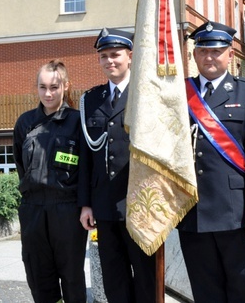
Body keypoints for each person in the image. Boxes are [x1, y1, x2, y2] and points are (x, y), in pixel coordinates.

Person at [178, 21, 245, 303]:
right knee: (205, 292)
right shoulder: (179, 94)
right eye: (203, 50)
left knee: (241, 291)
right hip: (191, 211)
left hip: (236, 213)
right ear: (194, 55)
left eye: (217, 51)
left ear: (230, 55)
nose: (209, 57)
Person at [78, 28, 156, 303]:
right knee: (114, 278)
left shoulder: (148, 93)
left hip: (141, 204)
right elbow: (87, 157)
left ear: (130, 57)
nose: (110, 61)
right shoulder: (91, 99)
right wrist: (86, 204)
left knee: (147, 279)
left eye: (115, 55)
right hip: (105, 206)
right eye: (104, 56)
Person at [13, 59, 87, 303]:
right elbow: (21, 166)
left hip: (66, 209)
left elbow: (87, 168)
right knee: (38, 275)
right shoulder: (25, 123)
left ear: (66, 86)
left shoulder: (78, 121)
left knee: (72, 276)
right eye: (42, 87)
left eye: (54, 87)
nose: (48, 93)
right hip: (33, 208)